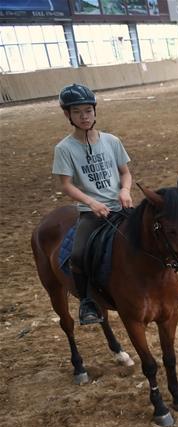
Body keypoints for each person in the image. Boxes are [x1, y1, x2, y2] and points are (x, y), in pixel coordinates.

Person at [52, 83, 133, 325]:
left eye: (88, 110)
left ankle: (173, 281)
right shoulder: (64, 149)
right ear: (68, 115)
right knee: (78, 253)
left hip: (121, 206)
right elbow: (66, 185)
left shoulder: (112, 141)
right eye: (77, 112)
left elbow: (125, 173)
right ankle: (87, 301)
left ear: (94, 111)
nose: (84, 116)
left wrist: (125, 190)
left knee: (156, 233)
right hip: (91, 212)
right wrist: (91, 202)